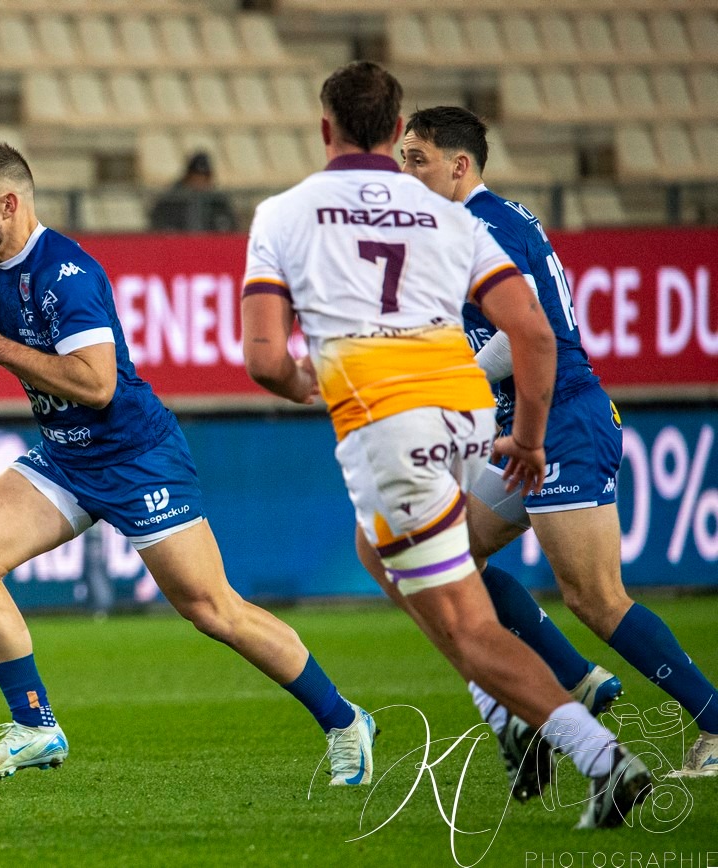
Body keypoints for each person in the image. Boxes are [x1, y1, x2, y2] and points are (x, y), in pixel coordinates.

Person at [240, 62, 652, 828]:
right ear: (397, 132)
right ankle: (506, 717)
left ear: (326, 129)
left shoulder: (285, 214)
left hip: (392, 428)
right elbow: (532, 333)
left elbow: (265, 359)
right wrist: (527, 439)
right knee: (379, 556)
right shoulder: (452, 215)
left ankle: (598, 757)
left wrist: (313, 382)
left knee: (466, 624)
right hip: (469, 417)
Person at [0, 142, 377, 787]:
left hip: (137, 458)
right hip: (66, 457)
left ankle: (344, 721)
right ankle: (35, 726)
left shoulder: (66, 273)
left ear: (8, 203)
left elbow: (98, 383)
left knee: (213, 609)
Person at [398, 105, 718, 780]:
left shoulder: (481, 227)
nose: (406, 170)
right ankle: (573, 679)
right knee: (442, 555)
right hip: (529, 423)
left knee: (597, 598)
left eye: (416, 158)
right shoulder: (489, 221)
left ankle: (714, 723)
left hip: (562, 419)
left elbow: (529, 337)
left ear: (460, 166)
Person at [148, 151, 236, 232]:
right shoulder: (172, 199)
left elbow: (229, 226)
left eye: (204, 177)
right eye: (196, 176)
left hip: (210, 247)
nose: (200, 181)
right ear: (188, 176)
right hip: (179, 246)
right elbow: (160, 226)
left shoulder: (218, 201)